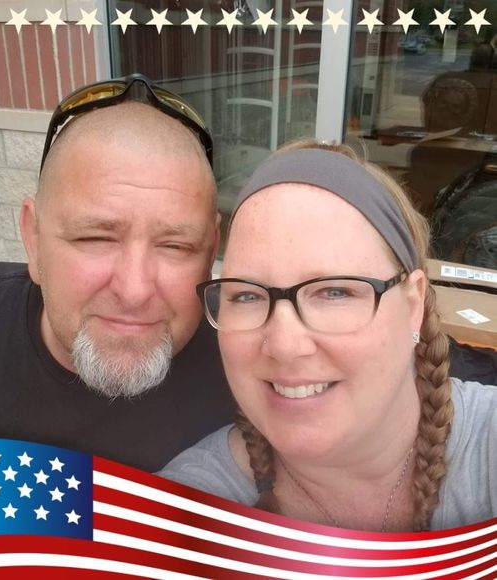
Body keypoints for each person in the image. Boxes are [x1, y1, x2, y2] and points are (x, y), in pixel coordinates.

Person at [160, 141, 497, 531]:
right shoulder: (185, 510)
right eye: (247, 295)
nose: (285, 346)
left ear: (413, 305)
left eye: (335, 292)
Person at [0, 75, 235, 471]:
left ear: (210, 252)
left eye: (176, 246)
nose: (134, 290)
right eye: (95, 238)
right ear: (34, 238)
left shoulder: (249, 371)